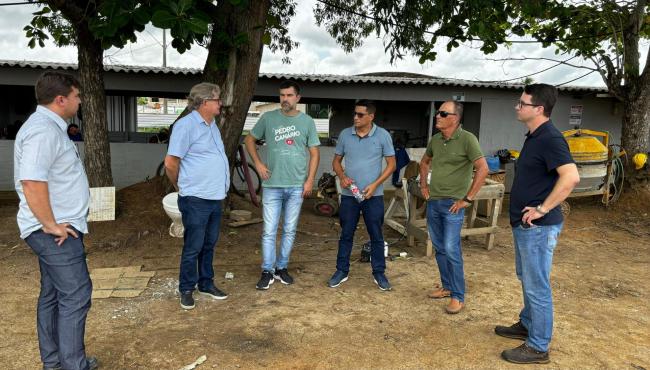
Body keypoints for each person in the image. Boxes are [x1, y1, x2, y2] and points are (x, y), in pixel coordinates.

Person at [14, 71, 98, 370]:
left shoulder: (50, 127)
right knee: (76, 295)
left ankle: (56, 362)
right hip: (54, 232)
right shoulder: (43, 131)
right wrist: (50, 225)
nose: (80, 101)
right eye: (77, 96)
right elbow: (32, 182)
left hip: (56, 227)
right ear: (61, 99)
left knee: (53, 294)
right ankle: (73, 365)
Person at [495, 84, 579, 364]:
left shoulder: (550, 138)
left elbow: (570, 177)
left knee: (537, 285)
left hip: (539, 228)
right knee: (527, 278)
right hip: (525, 225)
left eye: (522, 103)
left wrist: (543, 208)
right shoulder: (534, 135)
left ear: (538, 109)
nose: (517, 107)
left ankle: (538, 346)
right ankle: (528, 323)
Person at [245, 80, 320, 290]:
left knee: (289, 229)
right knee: (269, 231)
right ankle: (267, 271)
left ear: (297, 98)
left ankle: (281, 268)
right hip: (272, 185)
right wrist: (258, 163)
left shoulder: (307, 122)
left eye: (289, 95)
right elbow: (249, 140)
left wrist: (310, 180)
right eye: (282, 95)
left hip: (297, 185)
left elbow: (314, 153)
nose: (284, 99)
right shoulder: (268, 118)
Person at [419, 101, 488, 314]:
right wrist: (423, 185)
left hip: (453, 206)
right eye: (437, 112)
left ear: (455, 118)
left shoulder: (468, 139)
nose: (437, 116)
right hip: (434, 202)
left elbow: (483, 169)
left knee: (451, 249)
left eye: (442, 113)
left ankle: (459, 295)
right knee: (440, 247)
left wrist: (467, 199)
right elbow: (424, 162)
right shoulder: (436, 140)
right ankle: (447, 287)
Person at [165, 82, 230, 310]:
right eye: (217, 99)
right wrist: (180, 186)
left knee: (209, 243)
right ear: (204, 103)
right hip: (196, 198)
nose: (220, 103)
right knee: (193, 245)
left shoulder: (212, 125)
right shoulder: (186, 126)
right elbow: (171, 163)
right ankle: (186, 288)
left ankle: (205, 283)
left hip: (213, 197)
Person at [328, 100, 396, 291]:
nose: (355, 118)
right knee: (346, 233)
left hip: (373, 196)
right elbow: (336, 161)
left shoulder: (382, 136)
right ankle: (341, 271)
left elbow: (391, 165)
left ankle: (379, 273)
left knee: (376, 235)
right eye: (354, 114)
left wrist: (375, 185)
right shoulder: (345, 135)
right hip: (350, 195)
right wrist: (342, 176)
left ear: (371, 116)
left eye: (360, 115)